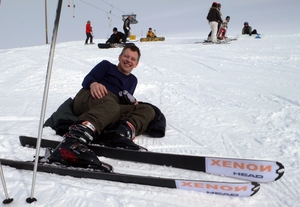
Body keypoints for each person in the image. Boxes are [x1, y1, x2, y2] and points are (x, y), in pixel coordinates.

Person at [49, 44, 156, 171]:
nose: (129, 60)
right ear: (120, 57)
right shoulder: (106, 66)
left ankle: (118, 135)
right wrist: (93, 83)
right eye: (126, 56)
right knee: (111, 106)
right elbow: (88, 79)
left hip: (112, 105)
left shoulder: (133, 80)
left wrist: (132, 103)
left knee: (148, 109)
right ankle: (72, 142)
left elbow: (122, 101)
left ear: (136, 64)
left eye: (133, 59)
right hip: (90, 96)